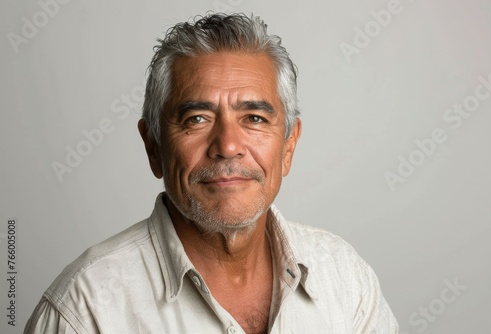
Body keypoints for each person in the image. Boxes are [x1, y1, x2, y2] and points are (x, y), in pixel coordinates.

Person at [25, 13, 399, 334]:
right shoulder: (84, 310)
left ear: (288, 146)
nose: (227, 145)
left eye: (254, 118)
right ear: (153, 145)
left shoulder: (346, 279)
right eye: (197, 119)